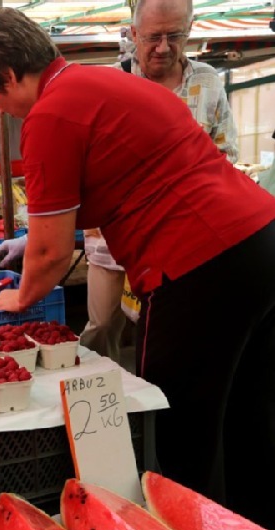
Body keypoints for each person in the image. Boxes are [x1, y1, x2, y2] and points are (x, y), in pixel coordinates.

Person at [0, 7, 275, 530]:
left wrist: (20, 294)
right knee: (251, 414)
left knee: (177, 422)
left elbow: (51, 256)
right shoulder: (106, 85)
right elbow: (112, 189)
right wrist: (29, 241)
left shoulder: (51, 114)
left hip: (199, 264)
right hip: (262, 243)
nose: (2, 108)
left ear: (12, 75)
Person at [81, 0, 239, 363]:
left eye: (175, 35)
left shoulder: (208, 82)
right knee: (102, 325)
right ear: (133, 33)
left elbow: (225, 154)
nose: (164, 47)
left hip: (183, 239)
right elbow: (86, 161)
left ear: (191, 29)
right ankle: (97, 405)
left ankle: (157, 406)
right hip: (114, 240)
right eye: (153, 37)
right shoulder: (109, 84)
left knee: (167, 330)